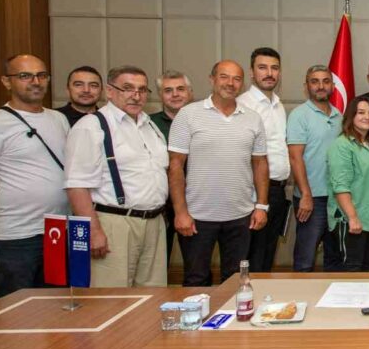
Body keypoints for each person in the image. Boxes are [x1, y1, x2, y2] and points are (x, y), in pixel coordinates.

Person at [0, 55, 69, 297]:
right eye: (25, 76)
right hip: (17, 235)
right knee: (15, 305)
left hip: (57, 230)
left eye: (41, 75)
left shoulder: (58, 119)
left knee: (55, 302)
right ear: (6, 81)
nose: (36, 81)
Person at [63, 66, 168, 287]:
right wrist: (94, 232)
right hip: (114, 223)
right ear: (109, 91)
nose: (136, 95)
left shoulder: (149, 125)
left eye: (142, 90)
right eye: (127, 88)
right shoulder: (91, 126)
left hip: (154, 223)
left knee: (153, 295)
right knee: (112, 297)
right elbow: (76, 185)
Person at [168, 60, 269, 286]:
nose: (230, 83)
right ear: (212, 79)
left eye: (236, 78)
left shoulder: (253, 118)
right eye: (224, 77)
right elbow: (175, 166)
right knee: (196, 279)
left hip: (241, 216)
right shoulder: (188, 114)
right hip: (197, 217)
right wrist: (180, 212)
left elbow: (260, 163)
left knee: (235, 281)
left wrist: (261, 206)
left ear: (242, 83)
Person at [237, 47, 291, 273]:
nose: (269, 73)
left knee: (267, 256)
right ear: (251, 72)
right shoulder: (243, 105)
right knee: (251, 257)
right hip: (253, 193)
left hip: (277, 190)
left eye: (274, 68)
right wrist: (257, 201)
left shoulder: (278, 105)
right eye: (262, 68)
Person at [287, 65, 342, 272]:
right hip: (312, 199)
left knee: (335, 257)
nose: (320, 86)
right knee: (305, 259)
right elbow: (295, 157)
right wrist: (306, 195)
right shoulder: (299, 115)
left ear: (333, 86)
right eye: (315, 81)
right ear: (306, 87)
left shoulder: (339, 116)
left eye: (325, 81)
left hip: (336, 198)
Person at [327, 97, 369, 271]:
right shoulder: (342, 145)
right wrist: (352, 217)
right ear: (351, 116)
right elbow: (340, 186)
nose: (367, 117)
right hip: (351, 220)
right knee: (352, 272)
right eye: (361, 112)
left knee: (366, 270)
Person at [150, 70, 193, 264]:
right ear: (160, 95)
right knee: (158, 262)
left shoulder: (203, 121)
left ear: (190, 92)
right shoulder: (148, 124)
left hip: (194, 201)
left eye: (180, 89)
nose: (175, 94)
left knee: (196, 262)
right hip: (160, 203)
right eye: (168, 90)